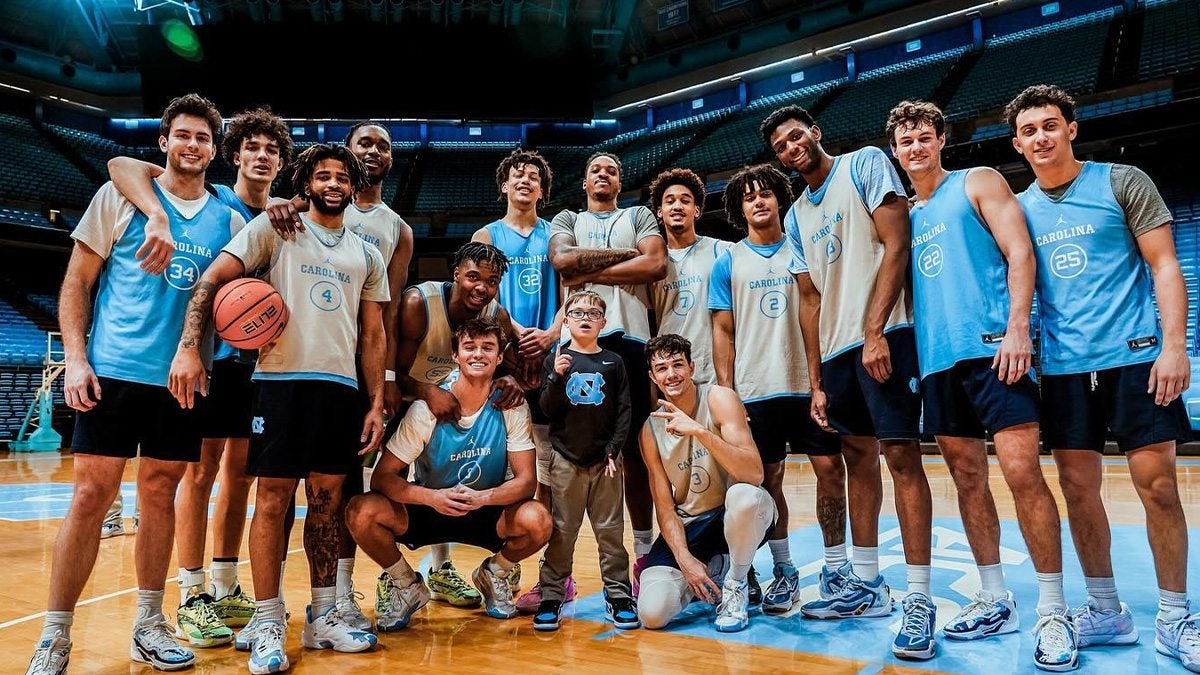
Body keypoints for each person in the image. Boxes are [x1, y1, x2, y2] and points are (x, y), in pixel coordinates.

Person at [26, 93, 244, 675]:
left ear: (214, 149)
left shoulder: (229, 219)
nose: (192, 145)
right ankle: (55, 635)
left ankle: (149, 624)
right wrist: (76, 358)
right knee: (91, 498)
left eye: (203, 137)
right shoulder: (118, 198)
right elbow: (76, 282)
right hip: (113, 372)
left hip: (185, 378)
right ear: (164, 142)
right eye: (183, 135)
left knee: (158, 496)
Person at [168, 143, 389, 674]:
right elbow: (212, 280)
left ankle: (322, 615)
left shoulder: (368, 253)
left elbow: (374, 334)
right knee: (271, 499)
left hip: (340, 388)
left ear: (353, 187)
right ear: (305, 182)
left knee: (327, 502)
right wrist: (189, 345)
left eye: (342, 177)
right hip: (278, 382)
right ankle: (268, 619)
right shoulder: (275, 227)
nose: (332, 184)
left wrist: (376, 400)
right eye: (322, 176)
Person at [1007, 84, 1198, 672]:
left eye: (1050, 125)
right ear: (1018, 143)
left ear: (1071, 129)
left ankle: (1174, 616)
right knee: (1079, 490)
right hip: (1064, 369)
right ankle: (1106, 610)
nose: (1041, 137)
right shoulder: (1017, 208)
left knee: (1158, 485)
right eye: (1029, 130)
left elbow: (1165, 265)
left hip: (1135, 357)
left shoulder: (1122, 181)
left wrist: (1174, 347)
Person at [106, 107, 294, 642]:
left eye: (272, 150)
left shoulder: (282, 215)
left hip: (260, 365)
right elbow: (123, 164)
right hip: (210, 359)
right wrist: (159, 218)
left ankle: (225, 581)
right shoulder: (214, 202)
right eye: (252, 148)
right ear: (233, 155)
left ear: (280, 162)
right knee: (199, 471)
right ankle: (191, 594)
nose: (262, 157)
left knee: (242, 473)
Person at [888, 100, 1067, 664]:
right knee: (967, 478)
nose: (914, 148)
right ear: (895, 153)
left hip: (994, 350)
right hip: (938, 363)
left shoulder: (978, 181)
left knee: (1022, 474)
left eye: (923, 137)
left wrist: (1019, 329)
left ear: (941, 139)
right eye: (904, 142)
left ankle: (1053, 610)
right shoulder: (904, 218)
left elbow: (1020, 252)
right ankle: (994, 597)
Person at [762, 104, 934, 656]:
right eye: (781, 146)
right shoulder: (793, 217)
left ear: (815, 133)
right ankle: (867, 584)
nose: (792, 148)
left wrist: (875, 328)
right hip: (837, 353)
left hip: (885, 334)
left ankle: (920, 599)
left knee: (902, 458)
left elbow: (897, 242)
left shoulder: (864, 164)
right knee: (858, 459)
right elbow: (808, 300)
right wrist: (816, 378)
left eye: (797, 136)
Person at [260, 120, 416, 632]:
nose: (373, 151)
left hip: (349, 378)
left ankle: (334, 598)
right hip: (285, 368)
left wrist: (384, 382)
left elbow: (382, 320)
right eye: (363, 143)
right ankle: (267, 608)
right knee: (276, 495)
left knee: (337, 495)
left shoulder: (392, 232)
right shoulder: (284, 218)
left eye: (383, 145)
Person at [346, 317, 553, 628]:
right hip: (431, 507)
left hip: (485, 509)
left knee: (538, 520)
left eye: (487, 348)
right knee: (361, 512)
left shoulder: (510, 406)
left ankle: (493, 573)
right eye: (469, 347)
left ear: (499, 357)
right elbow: (383, 478)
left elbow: (526, 482)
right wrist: (432, 497)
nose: (478, 354)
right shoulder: (427, 409)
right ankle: (407, 584)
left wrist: (482, 498)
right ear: (456, 355)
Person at [709, 164, 843, 613]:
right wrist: (728, 392)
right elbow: (722, 330)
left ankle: (836, 566)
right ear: (738, 208)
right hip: (756, 388)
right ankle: (784, 570)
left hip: (806, 385)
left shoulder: (802, 247)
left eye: (766, 194)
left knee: (830, 471)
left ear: (779, 198)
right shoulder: (727, 260)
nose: (759, 202)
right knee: (768, 483)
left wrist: (821, 378)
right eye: (749, 197)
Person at [549, 152, 667, 581]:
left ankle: (641, 555)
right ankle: (560, 575)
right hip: (574, 345)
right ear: (584, 182)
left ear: (620, 182)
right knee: (571, 449)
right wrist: (624, 259)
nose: (604, 174)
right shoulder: (566, 219)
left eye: (612, 170)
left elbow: (655, 264)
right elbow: (563, 262)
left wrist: (590, 267)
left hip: (629, 341)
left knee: (634, 450)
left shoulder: (637, 214)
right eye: (596, 170)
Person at [394, 241, 532, 607]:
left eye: (491, 281)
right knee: (393, 488)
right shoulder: (418, 305)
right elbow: (392, 372)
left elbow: (501, 368)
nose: (481, 287)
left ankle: (441, 570)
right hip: (409, 400)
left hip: (456, 400)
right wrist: (426, 391)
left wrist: (510, 380)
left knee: (448, 472)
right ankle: (393, 581)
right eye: (473, 277)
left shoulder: (496, 315)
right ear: (455, 274)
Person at [469, 149, 576, 612]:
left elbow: (572, 290)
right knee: (509, 469)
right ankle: (499, 567)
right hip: (503, 359)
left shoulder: (557, 234)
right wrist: (513, 333)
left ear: (543, 190)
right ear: (504, 186)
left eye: (535, 176)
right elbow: (479, 295)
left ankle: (553, 576)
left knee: (551, 471)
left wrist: (553, 332)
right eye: (518, 175)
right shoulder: (487, 234)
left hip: (552, 361)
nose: (526, 181)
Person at [637, 334, 775, 633]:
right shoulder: (649, 430)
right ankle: (720, 567)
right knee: (652, 614)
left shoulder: (719, 398)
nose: (671, 374)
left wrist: (699, 431)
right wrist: (685, 560)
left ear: (692, 367)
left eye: (678, 365)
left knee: (745, 497)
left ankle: (737, 584)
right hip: (692, 524)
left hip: (733, 514)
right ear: (652, 376)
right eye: (661, 368)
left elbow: (754, 474)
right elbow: (664, 507)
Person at [533, 290, 639, 631]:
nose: (584, 318)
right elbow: (548, 410)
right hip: (566, 459)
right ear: (566, 321)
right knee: (563, 532)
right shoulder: (557, 359)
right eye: (576, 313)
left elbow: (624, 409)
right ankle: (552, 595)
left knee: (610, 532)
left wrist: (614, 448)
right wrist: (556, 376)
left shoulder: (614, 361)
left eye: (592, 313)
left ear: (603, 323)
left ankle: (619, 594)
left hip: (605, 460)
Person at [648, 168, 730, 387]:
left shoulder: (722, 251)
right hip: (670, 373)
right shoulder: (651, 265)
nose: (677, 206)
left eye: (685, 201)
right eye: (669, 201)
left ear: (696, 210)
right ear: (659, 211)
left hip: (714, 371)